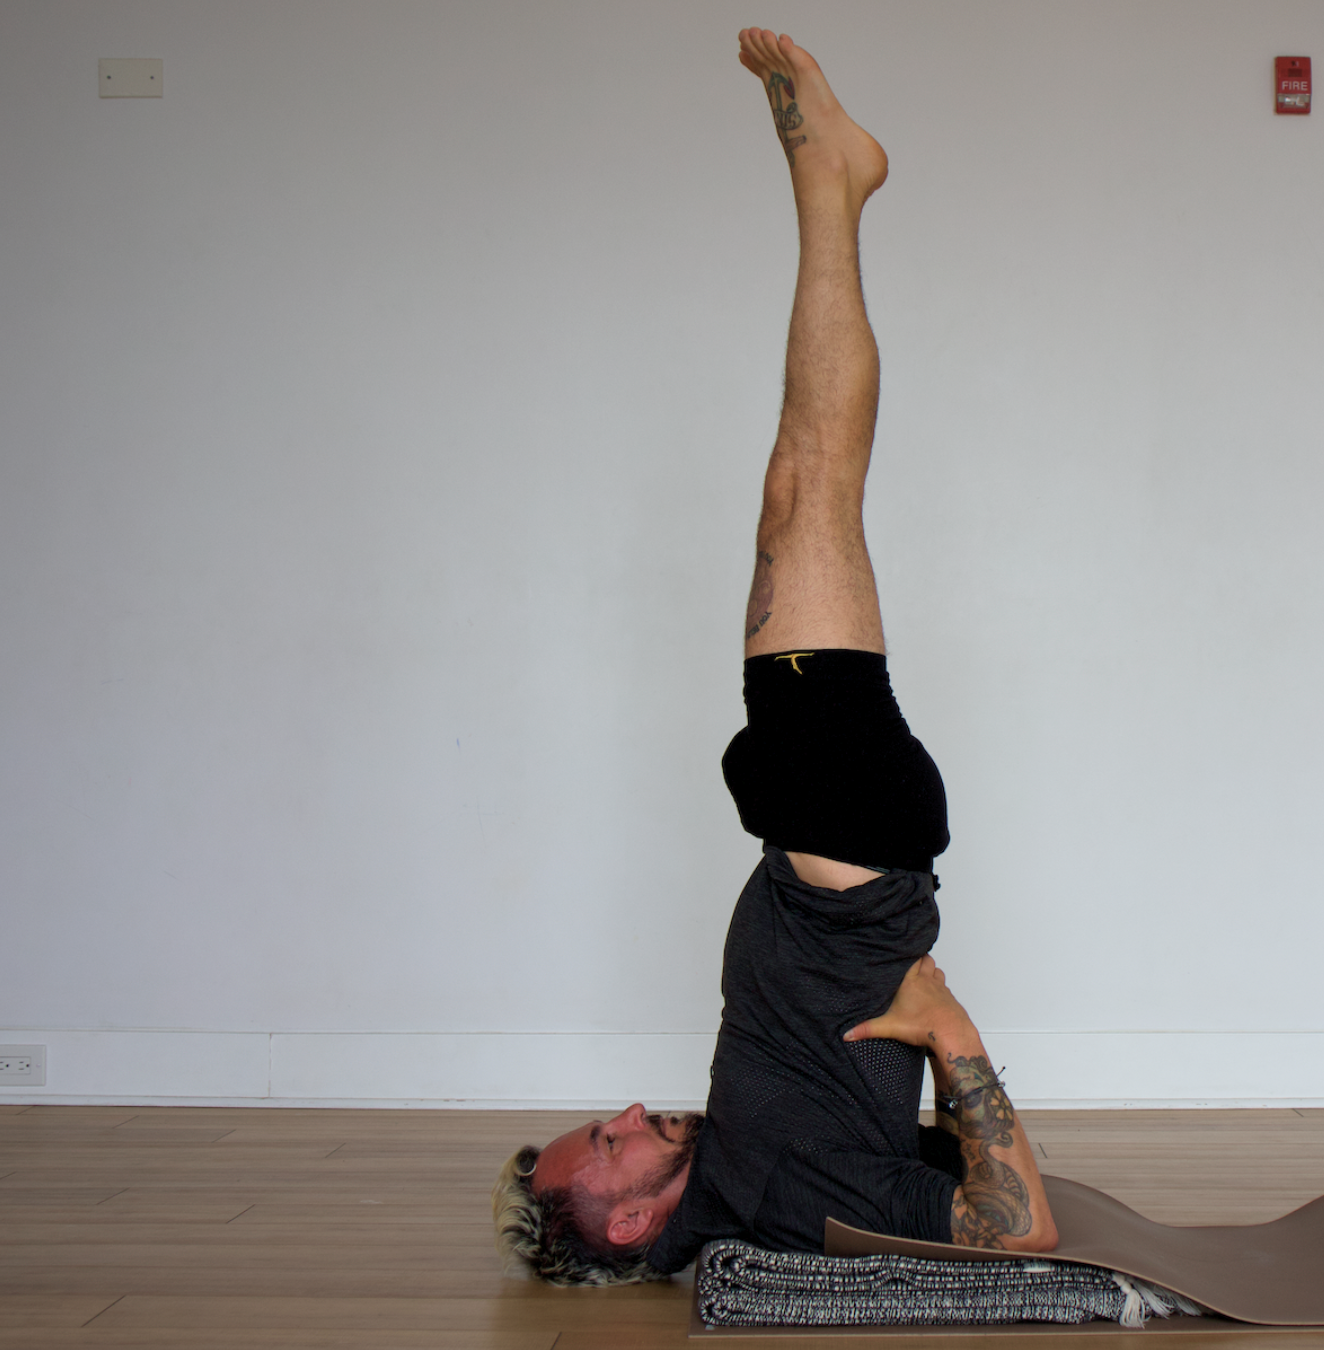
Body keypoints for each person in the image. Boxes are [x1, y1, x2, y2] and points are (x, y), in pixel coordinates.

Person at [493, 29, 1058, 1287]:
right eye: (608, 1141)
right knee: (812, 487)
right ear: (630, 1220)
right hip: (841, 842)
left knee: (797, 489)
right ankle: (834, 187)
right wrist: (950, 1033)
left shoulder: (739, 1171)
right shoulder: (776, 1185)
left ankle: (837, 189)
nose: (629, 1112)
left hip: (819, 833)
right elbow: (1018, 1234)